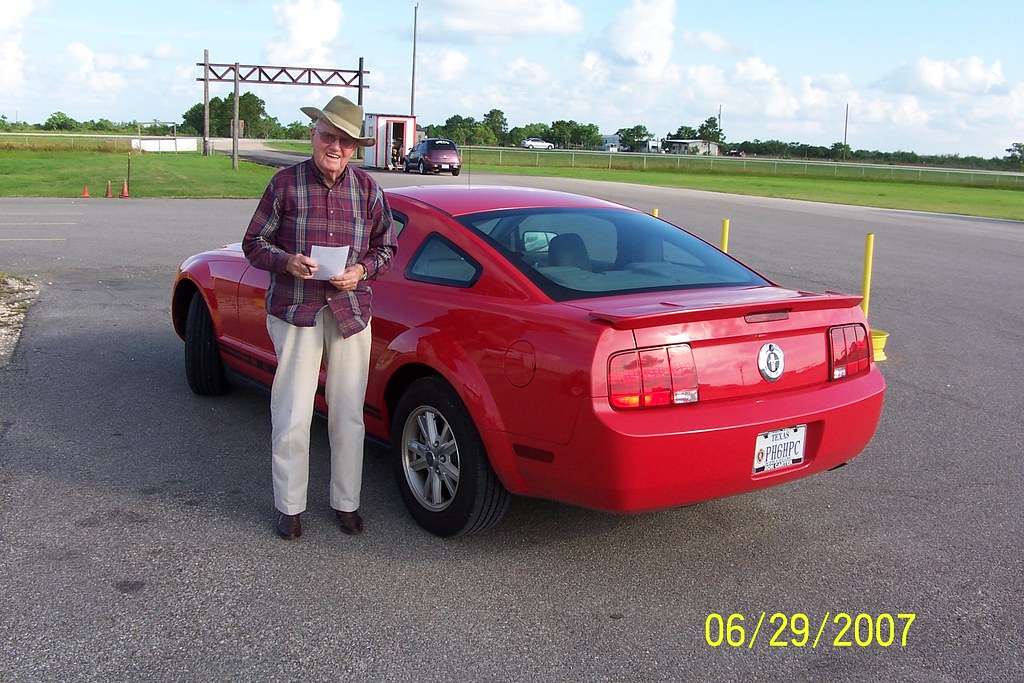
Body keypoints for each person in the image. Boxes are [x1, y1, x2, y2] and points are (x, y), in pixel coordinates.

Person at [241, 95, 398, 540]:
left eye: (346, 141)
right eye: (329, 136)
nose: (337, 147)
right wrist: (286, 261)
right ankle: (290, 507)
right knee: (292, 410)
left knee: (348, 413)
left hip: (350, 311)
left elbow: (387, 248)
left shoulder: (367, 189)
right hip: (296, 309)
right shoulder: (285, 184)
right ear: (313, 135)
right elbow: (254, 243)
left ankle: (346, 503)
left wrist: (362, 271)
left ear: (355, 148)